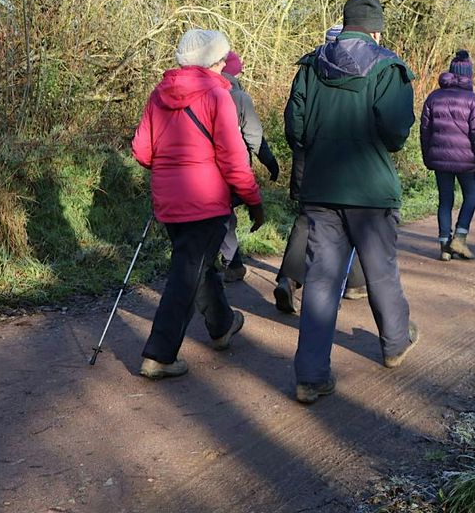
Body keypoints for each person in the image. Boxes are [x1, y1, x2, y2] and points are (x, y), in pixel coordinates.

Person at [285, 0, 419, 404]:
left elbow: (295, 129)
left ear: (344, 24)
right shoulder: (388, 67)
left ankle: (310, 376)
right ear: (376, 30)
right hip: (371, 191)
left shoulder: (312, 65)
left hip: (321, 187)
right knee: (380, 271)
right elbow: (396, 134)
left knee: (321, 280)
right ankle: (395, 343)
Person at [131, 29, 265, 379]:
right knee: (186, 274)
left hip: (168, 202)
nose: (224, 67)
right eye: (222, 60)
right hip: (205, 202)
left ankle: (222, 325)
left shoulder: (158, 95)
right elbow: (234, 160)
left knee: (196, 265)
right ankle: (159, 355)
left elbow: (142, 151)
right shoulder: (218, 96)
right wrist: (253, 200)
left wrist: (171, 168)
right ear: (213, 62)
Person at [273, 25, 368, 314]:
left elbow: (294, 115)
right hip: (346, 158)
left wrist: (301, 145)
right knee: (353, 214)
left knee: (307, 217)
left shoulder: (309, 68)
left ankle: (288, 279)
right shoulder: (361, 69)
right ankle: (354, 282)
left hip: (309, 155)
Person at [419, 49, 475, 261]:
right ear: (469, 75)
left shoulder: (434, 98)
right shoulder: (473, 101)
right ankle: (460, 237)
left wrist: (428, 158)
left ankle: (444, 244)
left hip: (440, 160)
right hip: (466, 162)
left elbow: (425, 132)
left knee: (445, 200)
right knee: (472, 195)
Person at [217, 50, 280, 284]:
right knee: (225, 214)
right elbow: (254, 138)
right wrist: (270, 162)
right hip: (232, 168)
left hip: (199, 172)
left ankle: (229, 263)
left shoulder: (199, 93)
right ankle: (231, 263)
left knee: (221, 215)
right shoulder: (239, 97)